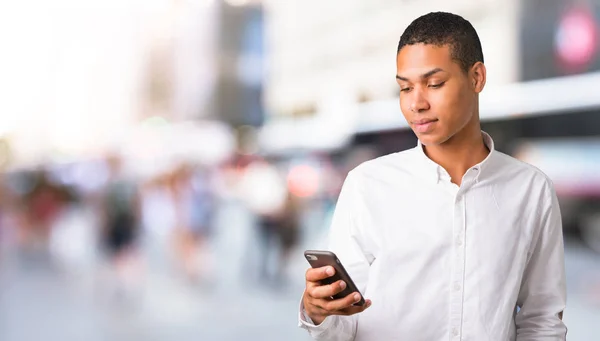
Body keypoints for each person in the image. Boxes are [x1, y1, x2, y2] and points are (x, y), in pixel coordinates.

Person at [299, 12, 567, 340]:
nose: (416, 103)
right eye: (404, 88)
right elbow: (342, 326)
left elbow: (543, 319)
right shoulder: (366, 185)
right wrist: (318, 312)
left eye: (434, 83)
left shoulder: (531, 189)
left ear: (477, 77)